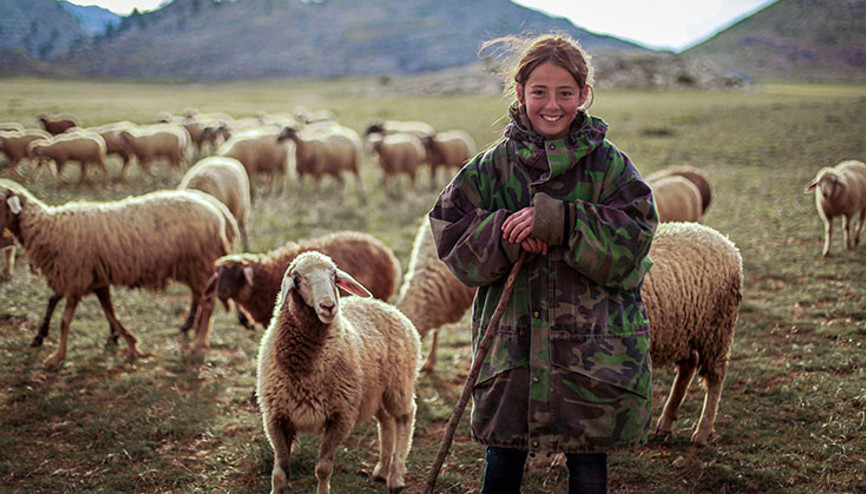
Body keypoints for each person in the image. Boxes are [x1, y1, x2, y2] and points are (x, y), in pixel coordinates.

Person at [428, 33, 658, 493]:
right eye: (539, 92)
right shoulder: (490, 169)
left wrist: (560, 221)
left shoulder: (610, 168)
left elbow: (635, 238)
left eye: (565, 93)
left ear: (584, 95)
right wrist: (505, 233)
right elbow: (449, 231)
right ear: (519, 93)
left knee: (588, 467)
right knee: (502, 461)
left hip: (591, 355)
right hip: (512, 354)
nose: (552, 105)